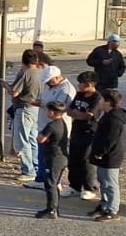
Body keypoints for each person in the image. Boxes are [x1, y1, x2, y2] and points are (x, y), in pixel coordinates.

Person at [29, 65, 77, 189]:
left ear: (56, 78)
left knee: (54, 156)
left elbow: (59, 107)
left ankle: (56, 181)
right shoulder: (48, 86)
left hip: (57, 128)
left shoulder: (67, 89)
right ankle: (40, 179)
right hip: (44, 124)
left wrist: (43, 104)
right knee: (42, 154)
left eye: (50, 81)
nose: (48, 83)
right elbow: (43, 99)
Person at [5, 50, 45, 182]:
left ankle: (28, 170)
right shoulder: (41, 72)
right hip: (35, 108)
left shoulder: (25, 73)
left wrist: (5, 85)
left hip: (24, 108)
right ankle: (35, 166)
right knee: (32, 139)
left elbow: (15, 92)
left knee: (22, 140)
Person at [88, 89, 126, 222]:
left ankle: (112, 210)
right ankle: (104, 205)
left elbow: (111, 140)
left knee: (110, 183)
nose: (99, 102)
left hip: (110, 156)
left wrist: (101, 152)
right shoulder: (108, 115)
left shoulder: (114, 120)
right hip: (104, 156)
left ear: (108, 102)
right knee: (103, 181)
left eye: (102, 100)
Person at [66, 71, 103, 202]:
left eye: (81, 83)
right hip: (76, 130)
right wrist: (76, 113)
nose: (79, 86)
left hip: (89, 132)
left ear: (88, 84)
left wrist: (78, 114)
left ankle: (90, 188)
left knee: (86, 159)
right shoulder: (79, 95)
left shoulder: (97, 98)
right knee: (74, 158)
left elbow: (89, 115)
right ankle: (74, 186)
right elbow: (69, 110)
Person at [34, 101, 70, 219]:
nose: (47, 112)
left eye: (48, 110)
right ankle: (54, 208)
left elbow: (40, 139)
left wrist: (40, 135)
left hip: (54, 158)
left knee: (50, 184)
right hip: (62, 157)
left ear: (52, 112)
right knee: (54, 183)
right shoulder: (62, 123)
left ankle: (51, 209)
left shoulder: (51, 126)